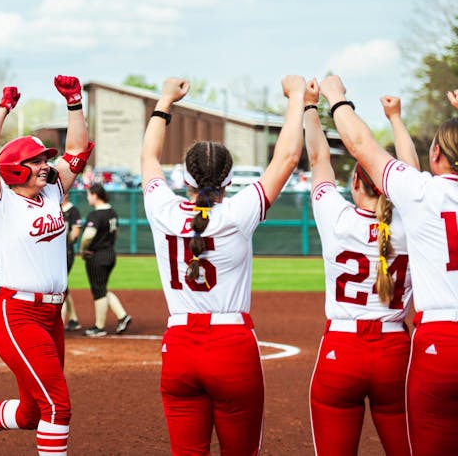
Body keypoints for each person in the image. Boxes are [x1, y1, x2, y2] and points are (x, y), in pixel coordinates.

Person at [140, 76, 305, 455]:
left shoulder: (161, 208)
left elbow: (148, 157)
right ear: (229, 181)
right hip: (231, 347)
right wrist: (296, 97)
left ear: (185, 178)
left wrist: (166, 99)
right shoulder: (238, 212)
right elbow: (287, 158)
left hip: (179, 347)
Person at [0, 75, 93, 456]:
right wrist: (3, 108)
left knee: (31, 413)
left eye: (45, 159)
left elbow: (77, 150)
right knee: (58, 406)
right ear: (16, 168)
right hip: (17, 314)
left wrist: (74, 101)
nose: (46, 164)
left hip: (51, 314)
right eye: (37, 160)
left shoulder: (53, 190)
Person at [320, 76, 458, 456]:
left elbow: (360, 143)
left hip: (440, 343)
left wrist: (336, 98)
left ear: (435, 158)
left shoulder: (424, 194)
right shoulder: (420, 196)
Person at [305, 81, 415, 456]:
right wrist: (395, 120)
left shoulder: (335, 216)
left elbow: (319, 162)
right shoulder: (410, 220)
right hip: (395, 352)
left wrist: (309, 107)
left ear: (354, 182)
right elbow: (412, 175)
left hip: (343, 349)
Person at [79, 183, 131, 337]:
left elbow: (88, 235)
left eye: (89, 194)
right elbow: (116, 233)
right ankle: (122, 316)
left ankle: (99, 327)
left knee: (98, 290)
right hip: (110, 253)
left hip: (97, 255)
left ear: (95, 195)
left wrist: (82, 250)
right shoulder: (112, 212)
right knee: (102, 288)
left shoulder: (96, 215)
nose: (88, 198)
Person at [61, 194, 83, 332]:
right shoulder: (53, 207)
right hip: (56, 253)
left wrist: (64, 241)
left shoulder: (72, 211)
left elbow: (75, 234)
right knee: (64, 286)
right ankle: (74, 319)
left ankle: (60, 322)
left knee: (60, 287)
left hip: (66, 252)